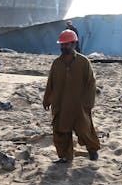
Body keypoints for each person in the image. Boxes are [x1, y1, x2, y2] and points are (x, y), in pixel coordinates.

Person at [43, 29, 100, 163]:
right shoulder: (57, 63)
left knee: (84, 130)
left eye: (66, 44)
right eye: (62, 44)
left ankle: (92, 151)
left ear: (74, 44)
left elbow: (91, 83)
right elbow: (50, 83)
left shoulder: (84, 62)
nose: (63, 47)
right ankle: (65, 156)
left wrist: (87, 104)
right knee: (60, 131)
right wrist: (47, 99)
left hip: (79, 105)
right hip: (61, 105)